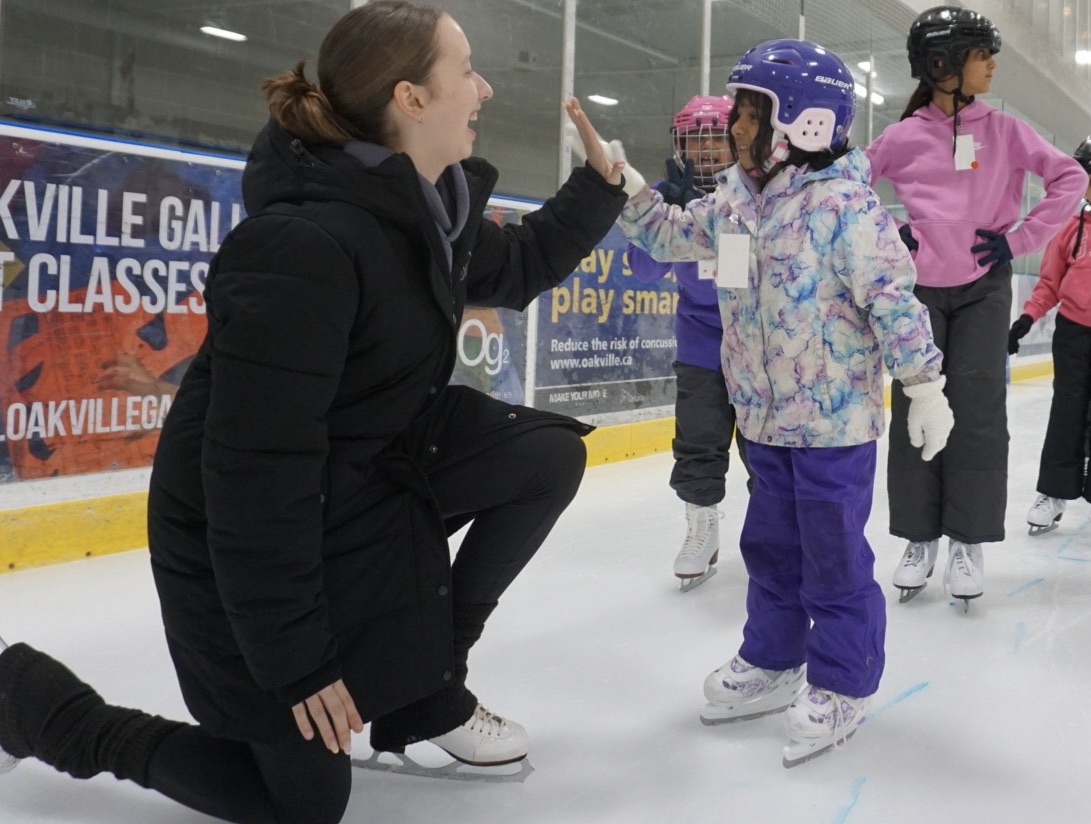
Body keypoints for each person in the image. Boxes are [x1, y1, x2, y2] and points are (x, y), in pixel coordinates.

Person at [0, 2, 628, 822]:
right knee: (301, 805)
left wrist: (597, 186)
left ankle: (429, 691)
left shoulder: (430, 211)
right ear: (409, 98)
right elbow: (255, 475)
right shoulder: (302, 247)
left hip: (363, 473)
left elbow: (514, 270)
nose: (482, 88)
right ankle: (36, 704)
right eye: (464, 70)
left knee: (543, 455)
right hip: (236, 536)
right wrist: (299, 663)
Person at [609, 39, 952, 764]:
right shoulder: (735, 197)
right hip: (762, 418)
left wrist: (924, 386)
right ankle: (771, 659)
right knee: (768, 549)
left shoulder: (846, 206)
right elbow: (675, 236)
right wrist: (629, 189)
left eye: (745, 111)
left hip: (831, 425)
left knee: (831, 558)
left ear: (802, 122)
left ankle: (842, 680)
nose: (731, 127)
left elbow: (893, 299)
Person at [866, 6, 1086, 605]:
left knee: (979, 409)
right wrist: (890, 232)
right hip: (918, 290)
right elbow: (848, 191)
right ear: (943, 65)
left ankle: (968, 540)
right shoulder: (902, 135)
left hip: (985, 289)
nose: (992, 64)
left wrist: (1018, 240)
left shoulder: (1006, 131)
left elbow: (1069, 179)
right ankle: (919, 537)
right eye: (981, 54)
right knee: (917, 404)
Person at [625, 95, 753, 590]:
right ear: (680, 146)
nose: (706, 152)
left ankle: (772, 534)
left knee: (764, 449)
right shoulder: (667, 196)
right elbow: (642, 270)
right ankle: (702, 527)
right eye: (694, 142)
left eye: (715, 139)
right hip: (700, 343)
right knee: (698, 439)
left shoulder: (758, 191)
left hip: (759, 344)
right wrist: (670, 209)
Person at [1008, 137, 1091, 535]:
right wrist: (1026, 319)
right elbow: (1048, 284)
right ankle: (1053, 493)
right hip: (1074, 334)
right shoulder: (1071, 230)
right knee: (1067, 413)